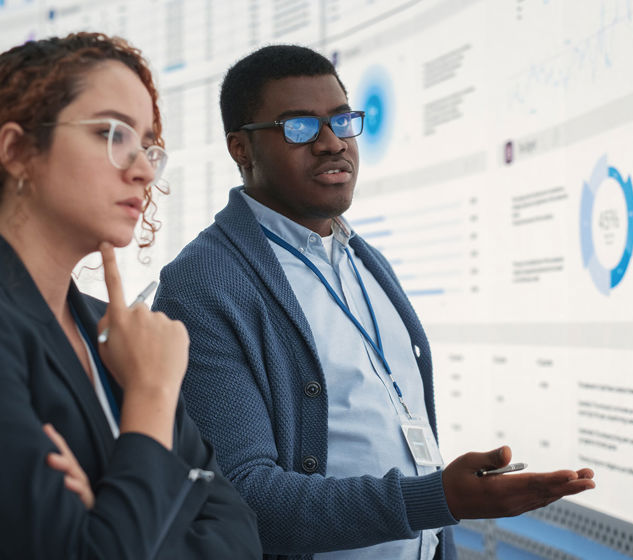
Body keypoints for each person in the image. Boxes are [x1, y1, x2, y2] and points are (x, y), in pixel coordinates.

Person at [153, 44, 595, 559]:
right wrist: (440, 498)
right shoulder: (203, 285)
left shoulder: (363, 260)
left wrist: (440, 515)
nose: (330, 143)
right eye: (299, 127)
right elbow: (245, 499)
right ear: (241, 149)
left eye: (342, 120)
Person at [0, 32, 261, 559]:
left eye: (146, 146)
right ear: (17, 149)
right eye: (112, 133)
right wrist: (151, 394)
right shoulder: (144, 364)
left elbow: (239, 533)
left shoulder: (115, 331)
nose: (143, 170)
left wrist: (108, 512)